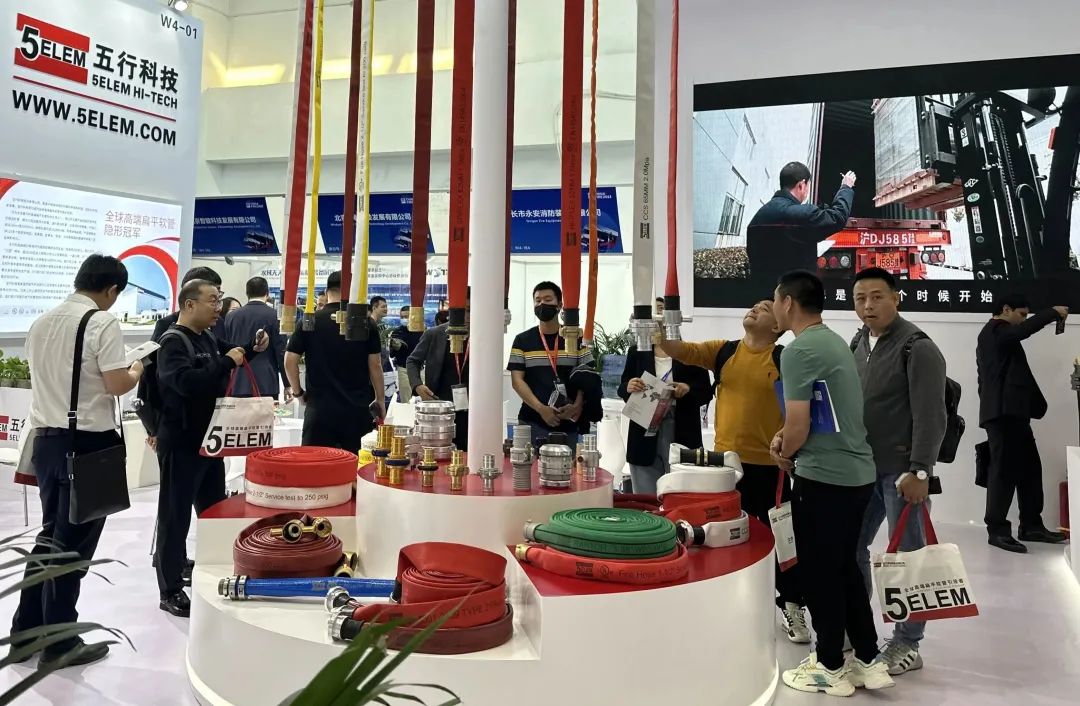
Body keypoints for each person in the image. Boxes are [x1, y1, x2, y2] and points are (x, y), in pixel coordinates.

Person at [9, 255, 144, 668]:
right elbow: (115, 384)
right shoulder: (101, 322)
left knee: (51, 537)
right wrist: (137, 369)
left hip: (47, 441)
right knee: (72, 548)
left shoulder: (41, 322)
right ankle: (60, 641)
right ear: (111, 290)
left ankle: (25, 633)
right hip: (87, 446)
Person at [769, 270, 893, 696]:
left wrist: (784, 450)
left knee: (821, 574)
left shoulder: (798, 350)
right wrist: (789, 435)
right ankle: (867, 659)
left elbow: (799, 424)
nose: (774, 308)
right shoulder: (834, 341)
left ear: (788, 302)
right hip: (856, 475)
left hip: (824, 478)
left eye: (775, 301)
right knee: (844, 569)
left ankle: (829, 665)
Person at [661, 300, 809, 643]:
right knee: (721, 535)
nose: (755, 309)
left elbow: (799, 412)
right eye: (754, 306)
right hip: (725, 468)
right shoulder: (723, 351)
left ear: (777, 326)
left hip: (770, 467)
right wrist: (658, 329)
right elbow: (679, 350)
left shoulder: (783, 358)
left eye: (765, 308)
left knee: (782, 540)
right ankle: (724, 603)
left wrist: (791, 449)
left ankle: (791, 604)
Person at [850, 267, 947, 676]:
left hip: (902, 475)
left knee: (908, 558)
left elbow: (932, 415)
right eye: (860, 299)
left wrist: (920, 471)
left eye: (877, 296)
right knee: (852, 548)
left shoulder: (917, 347)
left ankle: (908, 642)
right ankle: (858, 626)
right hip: (862, 470)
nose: (868, 306)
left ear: (896, 298)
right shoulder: (859, 341)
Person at [155, 279, 268, 618]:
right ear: (189, 304)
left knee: (213, 511)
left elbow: (231, 353)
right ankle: (169, 589)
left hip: (209, 442)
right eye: (212, 301)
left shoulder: (206, 337)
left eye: (219, 301)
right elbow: (186, 382)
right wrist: (227, 363)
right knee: (174, 517)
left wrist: (251, 348)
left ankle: (210, 566)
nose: (218, 308)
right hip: (181, 443)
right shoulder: (172, 342)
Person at [976, 294, 1069, 552]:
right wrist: (1051, 312)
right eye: (1021, 314)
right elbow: (1023, 331)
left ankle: (1031, 525)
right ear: (1006, 310)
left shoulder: (997, 336)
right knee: (1003, 473)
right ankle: (997, 530)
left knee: (1029, 470)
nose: (1023, 320)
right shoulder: (995, 330)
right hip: (1003, 415)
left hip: (1012, 414)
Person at [285, 271, 385, 453]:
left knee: (316, 465)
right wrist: (380, 399)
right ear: (352, 291)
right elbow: (375, 365)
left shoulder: (310, 321)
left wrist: (298, 393)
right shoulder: (365, 323)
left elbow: (289, 361)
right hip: (356, 411)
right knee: (357, 466)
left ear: (326, 291)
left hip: (319, 412)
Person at [618, 337, 712, 493]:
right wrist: (629, 386)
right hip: (643, 430)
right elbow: (622, 388)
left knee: (681, 492)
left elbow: (705, 392)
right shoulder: (637, 352)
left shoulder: (690, 352)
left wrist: (687, 389)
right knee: (646, 496)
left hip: (681, 428)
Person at [507, 281, 589, 448]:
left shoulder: (575, 338)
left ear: (559, 305)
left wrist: (577, 406)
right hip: (531, 421)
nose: (542, 304)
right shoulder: (522, 340)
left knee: (566, 464)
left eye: (548, 299)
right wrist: (541, 409)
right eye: (537, 300)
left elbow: (586, 377)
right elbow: (517, 381)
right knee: (527, 464)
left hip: (568, 422)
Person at [747, 162, 856, 281]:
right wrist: (846, 187)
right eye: (808, 185)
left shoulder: (757, 219)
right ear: (801, 185)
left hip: (763, 290)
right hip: (795, 289)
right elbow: (838, 217)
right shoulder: (801, 215)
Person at [407, 293, 470, 450]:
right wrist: (417, 385)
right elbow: (413, 361)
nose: (467, 316)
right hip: (438, 406)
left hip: (472, 408)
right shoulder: (434, 334)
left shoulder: (483, 337)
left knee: (468, 452)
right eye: (464, 310)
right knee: (437, 451)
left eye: (471, 310)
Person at [223, 276, 290, 401]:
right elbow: (281, 352)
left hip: (237, 381)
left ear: (247, 293)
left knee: (239, 414)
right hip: (266, 382)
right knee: (265, 414)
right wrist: (287, 384)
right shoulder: (275, 316)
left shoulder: (231, 317)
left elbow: (227, 348)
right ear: (267, 293)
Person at [390, 304, 423, 369]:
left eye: (406, 317)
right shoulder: (397, 332)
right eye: (402, 317)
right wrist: (395, 348)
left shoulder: (420, 331)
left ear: (412, 316)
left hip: (418, 367)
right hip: (402, 367)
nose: (404, 319)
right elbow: (392, 354)